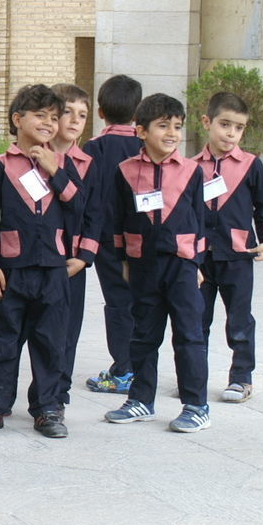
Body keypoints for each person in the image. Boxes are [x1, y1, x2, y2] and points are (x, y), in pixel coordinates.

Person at [0, 85, 82, 439]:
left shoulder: (64, 165)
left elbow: (79, 209)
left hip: (53, 270)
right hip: (11, 270)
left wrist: (55, 171)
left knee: (51, 341)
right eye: (40, 116)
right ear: (17, 119)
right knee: (3, 339)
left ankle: (48, 407)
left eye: (55, 118)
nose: (49, 124)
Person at [104, 94, 211, 433]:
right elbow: (118, 219)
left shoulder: (193, 171)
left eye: (177, 127)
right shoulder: (125, 171)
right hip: (142, 265)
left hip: (180, 265)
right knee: (143, 335)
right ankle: (141, 399)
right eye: (163, 126)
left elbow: (201, 221)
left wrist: (197, 264)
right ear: (141, 131)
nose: (171, 133)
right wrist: (123, 259)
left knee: (189, 335)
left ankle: (196, 405)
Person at [195, 91, 263, 404]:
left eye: (238, 127)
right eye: (225, 125)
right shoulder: (190, 167)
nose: (231, 133)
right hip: (201, 259)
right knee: (196, 320)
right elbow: (185, 212)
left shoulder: (250, 165)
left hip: (238, 256)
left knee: (240, 320)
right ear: (207, 122)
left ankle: (241, 377)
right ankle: (194, 377)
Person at [82, 74, 145, 395]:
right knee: (143, 302)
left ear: (100, 111)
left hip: (107, 241)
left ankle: (123, 369)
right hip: (144, 242)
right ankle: (142, 366)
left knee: (118, 303)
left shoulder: (91, 149)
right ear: (138, 114)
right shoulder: (146, 146)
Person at [48, 84, 100, 410]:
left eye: (82, 115)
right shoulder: (30, 158)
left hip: (70, 262)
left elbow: (95, 213)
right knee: (18, 331)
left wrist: (85, 257)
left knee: (67, 332)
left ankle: (57, 396)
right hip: (31, 259)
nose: (75, 120)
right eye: (68, 112)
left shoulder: (88, 164)